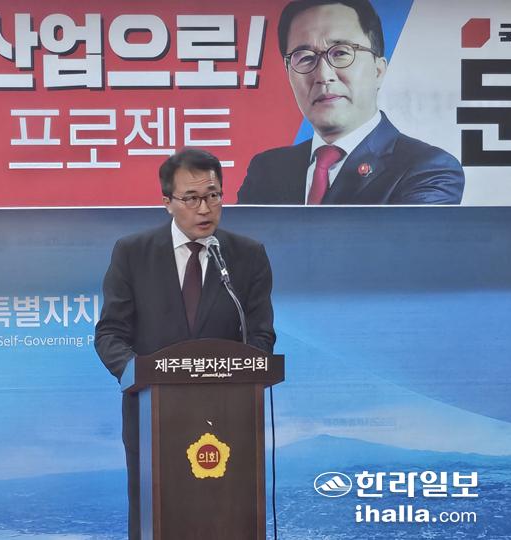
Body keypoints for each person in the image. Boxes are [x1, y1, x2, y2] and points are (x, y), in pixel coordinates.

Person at [95, 148, 276, 539]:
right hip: (152, 418)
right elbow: (110, 334)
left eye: (213, 195)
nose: (205, 208)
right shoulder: (133, 253)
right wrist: (141, 376)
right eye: (191, 198)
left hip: (230, 419)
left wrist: (247, 371)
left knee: (228, 516)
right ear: (167, 202)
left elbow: (260, 334)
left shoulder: (247, 256)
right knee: (156, 518)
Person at [237, 0, 464, 205]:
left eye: (341, 53)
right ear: (289, 75)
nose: (323, 75)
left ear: (378, 70)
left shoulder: (428, 169)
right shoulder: (267, 169)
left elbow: (405, 240)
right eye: (305, 58)